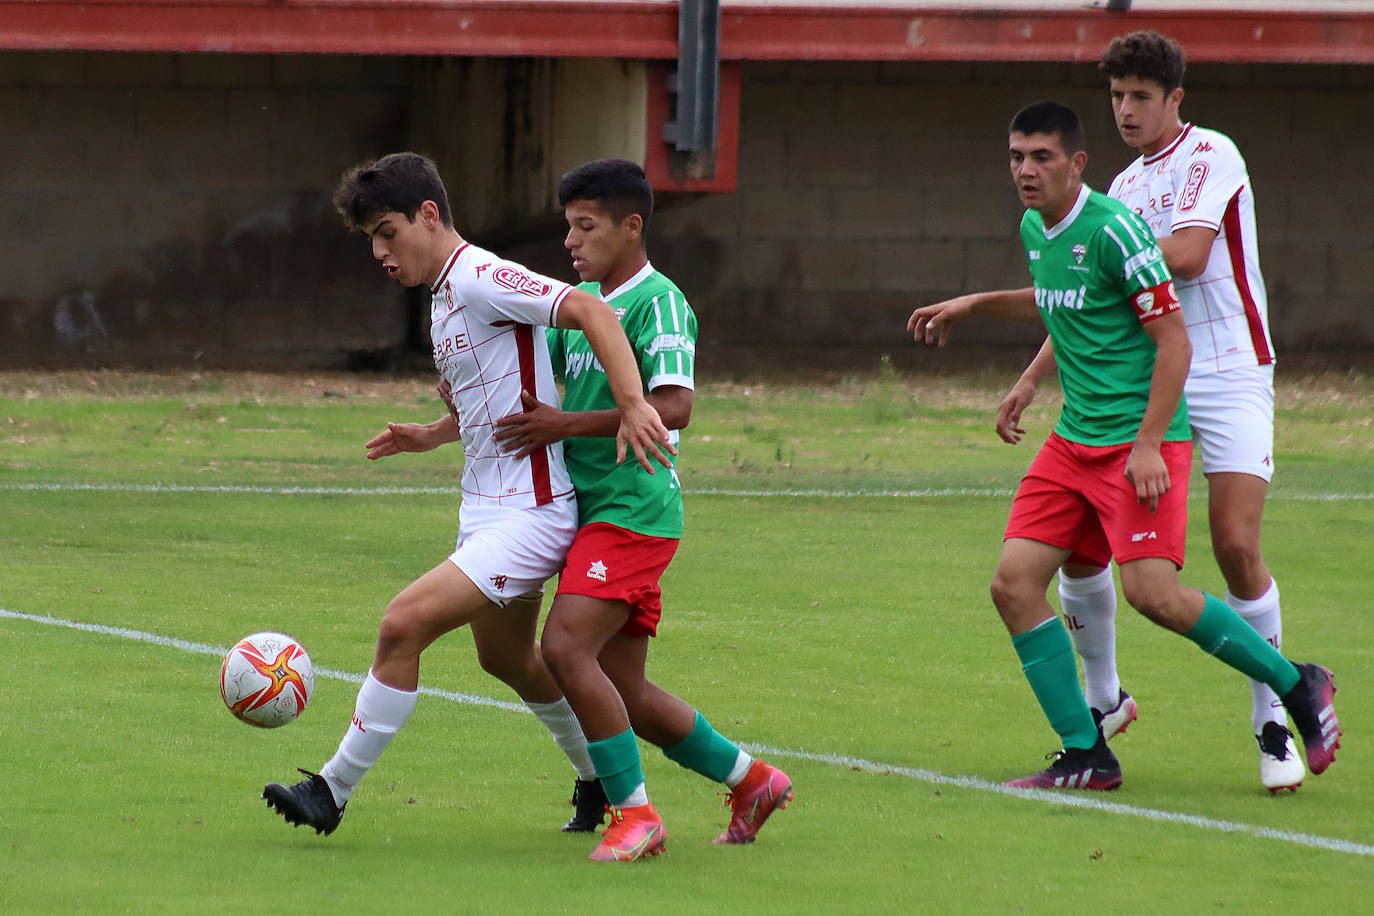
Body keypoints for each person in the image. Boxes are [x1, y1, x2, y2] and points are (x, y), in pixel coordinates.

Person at [906, 102, 1340, 791]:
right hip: (1073, 441)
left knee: (1154, 595)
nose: (1026, 169)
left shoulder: (1116, 230)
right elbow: (1059, 296)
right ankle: (1086, 752)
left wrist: (1146, 446)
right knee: (1013, 584)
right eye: (1017, 156)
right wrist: (995, 332)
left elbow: (1175, 341)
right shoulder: (1034, 225)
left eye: (1042, 156)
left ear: (1077, 163)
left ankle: (1298, 682)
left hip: (1137, 445)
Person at [262, 151, 673, 836]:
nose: (380, 251)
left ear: (430, 215)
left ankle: (331, 791)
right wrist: (434, 433)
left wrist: (632, 404)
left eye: (388, 231)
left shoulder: (481, 276)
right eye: (371, 240)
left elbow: (590, 313)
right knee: (506, 658)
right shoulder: (445, 297)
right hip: (487, 510)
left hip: (532, 514)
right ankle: (600, 781)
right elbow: (498, 396)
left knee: (402, 624)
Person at [493, 158, 793, 861]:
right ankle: (753, 779)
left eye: (585, 226)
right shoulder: (580, 305)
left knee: (563, 650)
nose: (571, 241)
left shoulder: (657, 302)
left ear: (632, 227)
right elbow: (546, 398)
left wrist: (565, 428)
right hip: (591, 509)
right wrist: (440, 430)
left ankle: (636, 816)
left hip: (633, 509)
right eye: (568, 226)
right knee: (622, 689)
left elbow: (674, 404)